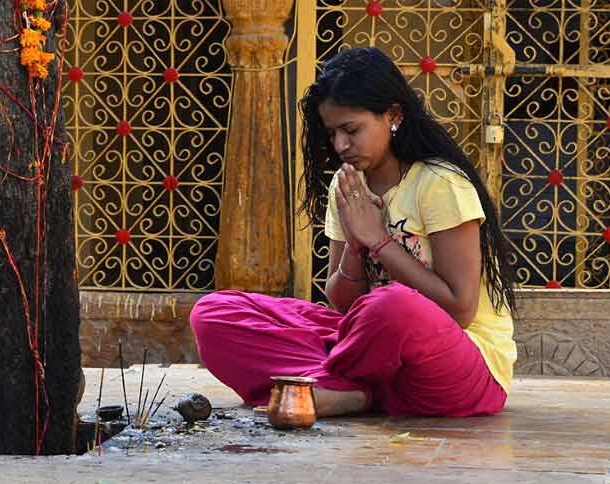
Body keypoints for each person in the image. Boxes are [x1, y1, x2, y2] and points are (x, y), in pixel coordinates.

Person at [190, 47, 517, 417]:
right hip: (376, 355)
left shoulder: (440, 183)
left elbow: (459, 309)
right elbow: (344, 304)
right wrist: (356, 246)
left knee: (393, 306)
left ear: (393, 116)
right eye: (332, 133)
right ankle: (355, 391)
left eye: (351, 130)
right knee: (214, 313)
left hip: (459, 365)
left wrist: (379, 241)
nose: (340, 146)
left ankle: (330, 383)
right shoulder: (346, 185)